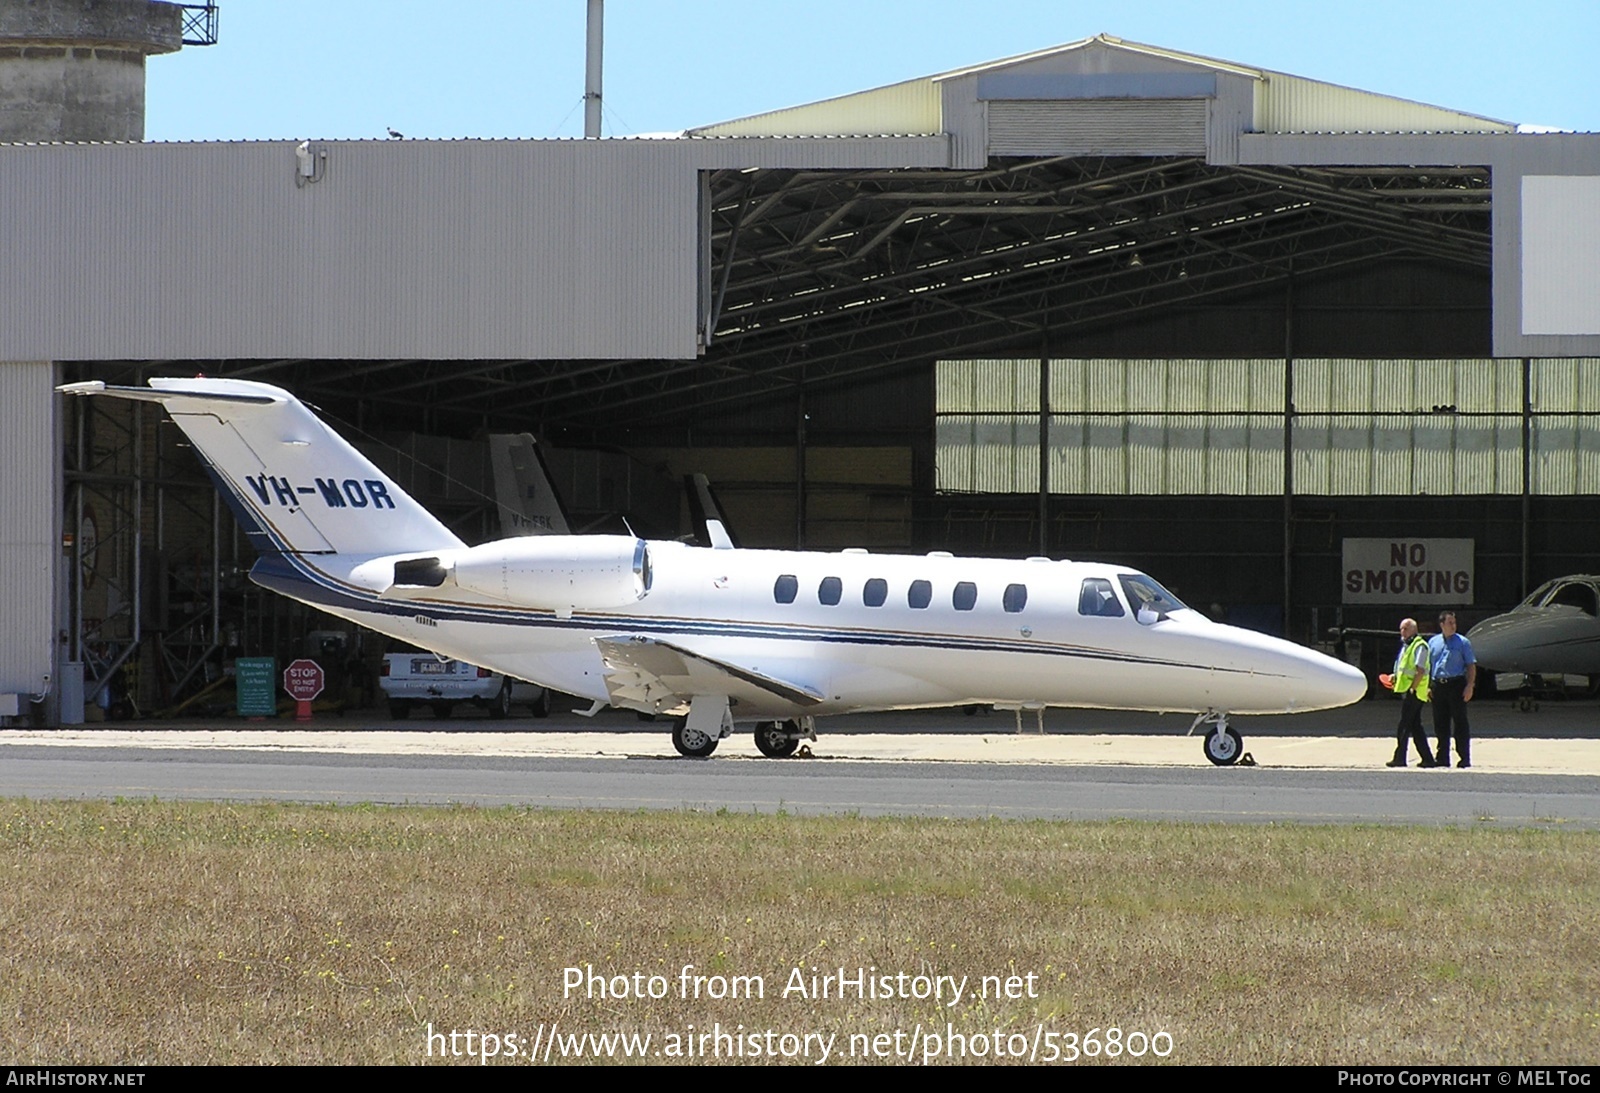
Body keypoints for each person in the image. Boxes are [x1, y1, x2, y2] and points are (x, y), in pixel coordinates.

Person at [1381, 617, 1437, 767]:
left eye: (1405, 629)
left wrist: (1413, 687)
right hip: (1408, 690)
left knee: (1404, 725)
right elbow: (1404, 667)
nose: (1402, 632)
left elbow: (1420, 670)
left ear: (1414, 630)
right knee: (1415, 726)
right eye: (1401, 629)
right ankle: (1428, 759)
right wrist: (1394, 677)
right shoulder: (1406, 646)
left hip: (1415, 692)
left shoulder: (1420, 646)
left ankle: (1400, 758)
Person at [1428, 611, 1476, 768]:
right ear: (1442, 625)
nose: (1453, 626)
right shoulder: (1433, 642)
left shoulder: (1463, 642)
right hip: (1438, 685)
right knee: (1440, 723)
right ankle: (1442, 757)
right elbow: (1428, 666)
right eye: (1450, 623)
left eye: (1454, 623)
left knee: (1460, 722)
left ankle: (1464, 757)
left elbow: (1470, 665)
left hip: (1456, 684)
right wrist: (1428, 686)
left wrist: (1470, 685)